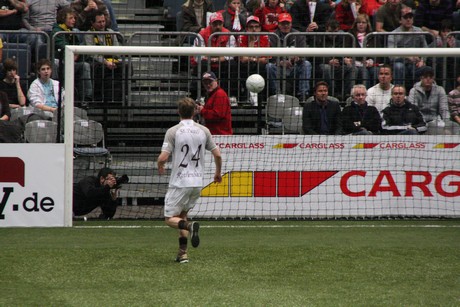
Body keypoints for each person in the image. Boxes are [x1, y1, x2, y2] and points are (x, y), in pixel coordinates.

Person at [157, 97, 222, 263]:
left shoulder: (173, 131)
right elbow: (217, 154)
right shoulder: (203, 131)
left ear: (178, 111)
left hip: (180, 182)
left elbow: (163, 157)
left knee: (170, 219)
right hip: (196, 182)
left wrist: (160, 165)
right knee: (182, 215)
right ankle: (182, 253)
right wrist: (217, 173)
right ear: (195, 112)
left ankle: (189, 227)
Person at [266, 12, 312, 101]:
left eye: (287, 23)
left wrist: (298, 59)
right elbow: (270, 56)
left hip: (294, 67)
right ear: (278, 24)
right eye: (283, 23)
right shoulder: (273, 36)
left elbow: (304, 54)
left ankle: (303, 95)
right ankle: (277, 94)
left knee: (306, 64)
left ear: (291, 24)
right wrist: (279, 62)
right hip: (279, 68)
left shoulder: (299, 35)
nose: (285, 26)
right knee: (269, 66)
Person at [191, 12, 237, 97]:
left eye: (220, 24)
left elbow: (231, 55)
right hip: (206, 63)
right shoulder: (202, 34)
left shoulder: (228, 34)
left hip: (221, 64)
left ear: (223, 23)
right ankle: (201, 96)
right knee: (202, 65)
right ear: (210, 24)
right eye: (215, 24)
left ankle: (230, 96)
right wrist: (213, 59)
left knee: (232, 65)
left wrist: (215, 59)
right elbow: (198, 56)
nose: (218, 27)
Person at [52, 6, 93, 102]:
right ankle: (60, 94)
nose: (73, 20)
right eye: (71, 18)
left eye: (74, 18)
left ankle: (86, 98)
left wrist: (76, 54)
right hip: (61, 62)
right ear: (63, 18)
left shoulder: (72, 32)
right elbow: (64, 48)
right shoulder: (57, 32)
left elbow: (78, 48)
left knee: (85, 65)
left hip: (72, 61)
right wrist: (75, 53)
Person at [84, 10, 126, 102]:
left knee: (126, 66)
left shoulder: (111, 32)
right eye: (99, 22)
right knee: (98, 68)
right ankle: (100, 98)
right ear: (92, 23)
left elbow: (117, 50)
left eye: (103, 21)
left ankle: (120, 96)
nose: (102, 24)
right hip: (97, 61)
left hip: (112, 59)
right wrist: (106, 62)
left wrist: (113, 61)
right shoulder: (88, 34)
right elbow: (93, 53)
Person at [387, 5, 431, 88]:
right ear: (400, 20)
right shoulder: (393, 34)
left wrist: (423, 60)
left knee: (425, 68)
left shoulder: (419, 31)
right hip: (399, 62)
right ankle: (399, 92)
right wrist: (408, 56)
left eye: (410, 17)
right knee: (399, 66)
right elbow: (391, 55)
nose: (408, 19)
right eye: (405, 17)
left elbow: (426, 49)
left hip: (415, 63)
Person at [317, 18, 355, 100]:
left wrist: (342, 60)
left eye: (336, 32)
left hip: (338, 66)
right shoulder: (319, 38)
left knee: (351, 68)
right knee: (326, 68)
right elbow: (315, 56)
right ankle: (332, 94)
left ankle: (347, 95)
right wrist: (328, 61)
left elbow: (344, 53)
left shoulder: (342, 38)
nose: (333, 34)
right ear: (326, 29)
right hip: (323, 65)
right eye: (331, 32)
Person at [408, 68, 452, 134]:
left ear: (433, 78)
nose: (428, 79)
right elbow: (414, 110)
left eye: (430, 77)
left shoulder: (440, 90)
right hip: (419, 122)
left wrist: (447, 125)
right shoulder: (413, 91)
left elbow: (444, 109)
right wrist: (422, 123)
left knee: (450, 129)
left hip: (435, 121)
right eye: (425, 77)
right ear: (421, 78)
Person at [238, 15, 270, 102]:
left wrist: (252, 58)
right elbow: (243, 59)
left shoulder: (265, 37)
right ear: (247, 28)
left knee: (263, 67)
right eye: (251, 27)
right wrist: (256, 58)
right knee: (244, 67)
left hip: (261, 66)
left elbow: (266, 59)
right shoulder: (242, 37)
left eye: (256, 27)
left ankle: (262, 99)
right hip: (245, 66)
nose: (254, 29)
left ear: (260, 28)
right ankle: (244, 97)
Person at [348, 13, 379, 88]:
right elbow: (347, 52)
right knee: (363, 71)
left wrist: (371, 61)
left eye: (363, 22)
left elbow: (378, 53)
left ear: (367, 24)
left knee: (375, 71)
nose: (361, 24)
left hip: (370, 63)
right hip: (355, 63)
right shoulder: (350, 35)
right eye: (359, 22)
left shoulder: (372, 36)